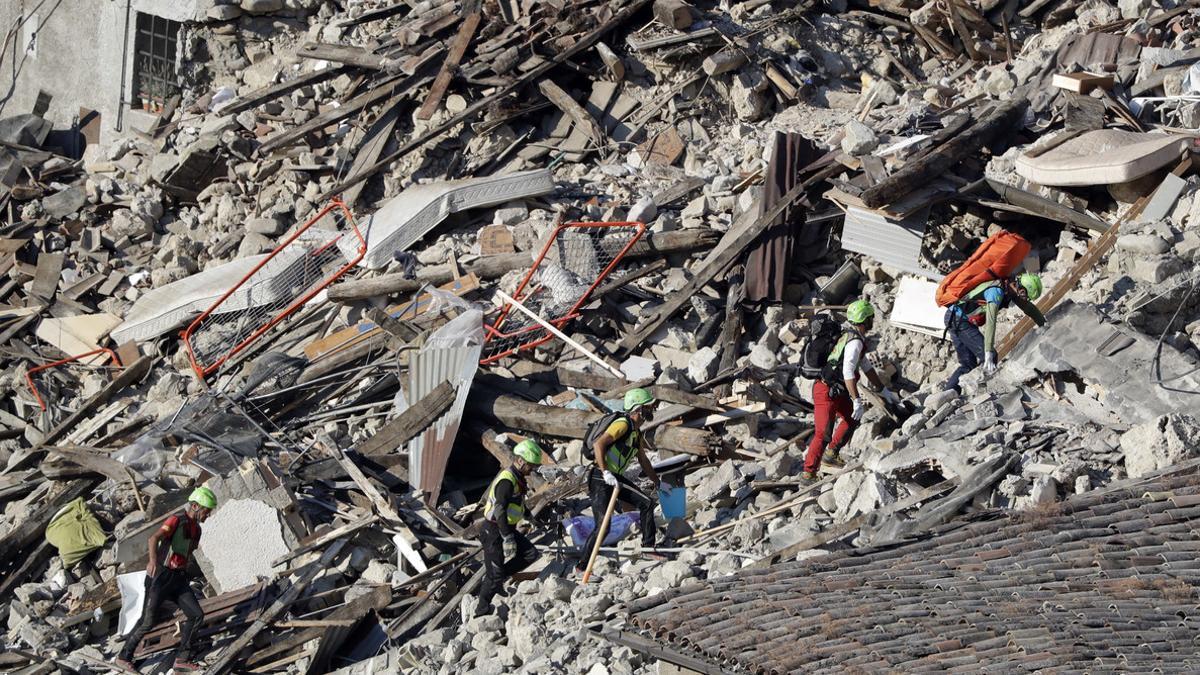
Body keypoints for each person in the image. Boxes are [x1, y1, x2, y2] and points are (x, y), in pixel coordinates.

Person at [115, 487, 215, 672]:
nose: (207, 515)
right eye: (206, 511)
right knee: (147, 621)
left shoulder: (197, 529)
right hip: (161, 576)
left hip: (178, 579)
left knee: (196, 615)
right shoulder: (176, 520)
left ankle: (182, 658)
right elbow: (154, 538)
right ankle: (123, 657)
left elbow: (189, 550)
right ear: (195, 506)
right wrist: (153, 561)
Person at [802, 300, 898, 481]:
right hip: (825, 391)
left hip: (836, 390)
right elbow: (847, 372)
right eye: (870, 317)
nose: (873, 321)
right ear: (865, 320)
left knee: (851, 418)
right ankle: (808, 473)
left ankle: (831, 454)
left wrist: (882, 389)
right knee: (823, 434)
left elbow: (866, 366)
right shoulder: (854, 342)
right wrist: (857, 400)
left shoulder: (852, 336)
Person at [577, 388, 666, 573]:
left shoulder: (636, 432)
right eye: (649, 407)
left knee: (646, 503)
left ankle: (648, 547)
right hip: (601, 477)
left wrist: (658, 482)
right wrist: (606, 472)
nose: (652, 410)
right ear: (639, 408)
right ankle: (581, 568)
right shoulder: (623, 424)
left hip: (614, 478)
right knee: (604, 526)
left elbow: (643, 460)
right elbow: (599, 444)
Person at [943, 272, 1043, 394]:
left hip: (954, 317)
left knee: (968, 364)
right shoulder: (996, 291)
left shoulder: (1009, 288)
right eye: (1023, 295)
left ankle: (947, 395)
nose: (1023, 299)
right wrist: (988, 351)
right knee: (990, 358)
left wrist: (1044, 324)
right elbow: (991, 321)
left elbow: (1029, 308)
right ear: (1020, 288)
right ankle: (983, 393)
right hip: (958, 321)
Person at [477, 439, 543, 612]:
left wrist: (529, 516)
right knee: (494, 573)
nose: (532, 469)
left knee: (530, 554)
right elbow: (499, 510)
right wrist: (507, 537)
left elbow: (518, 502)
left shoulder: (518, 478)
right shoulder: (507, 480)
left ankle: (498, 581)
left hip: (507, 528)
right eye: (531, 465)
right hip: (492, 529)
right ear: (520, 461)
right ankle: (481, 608)